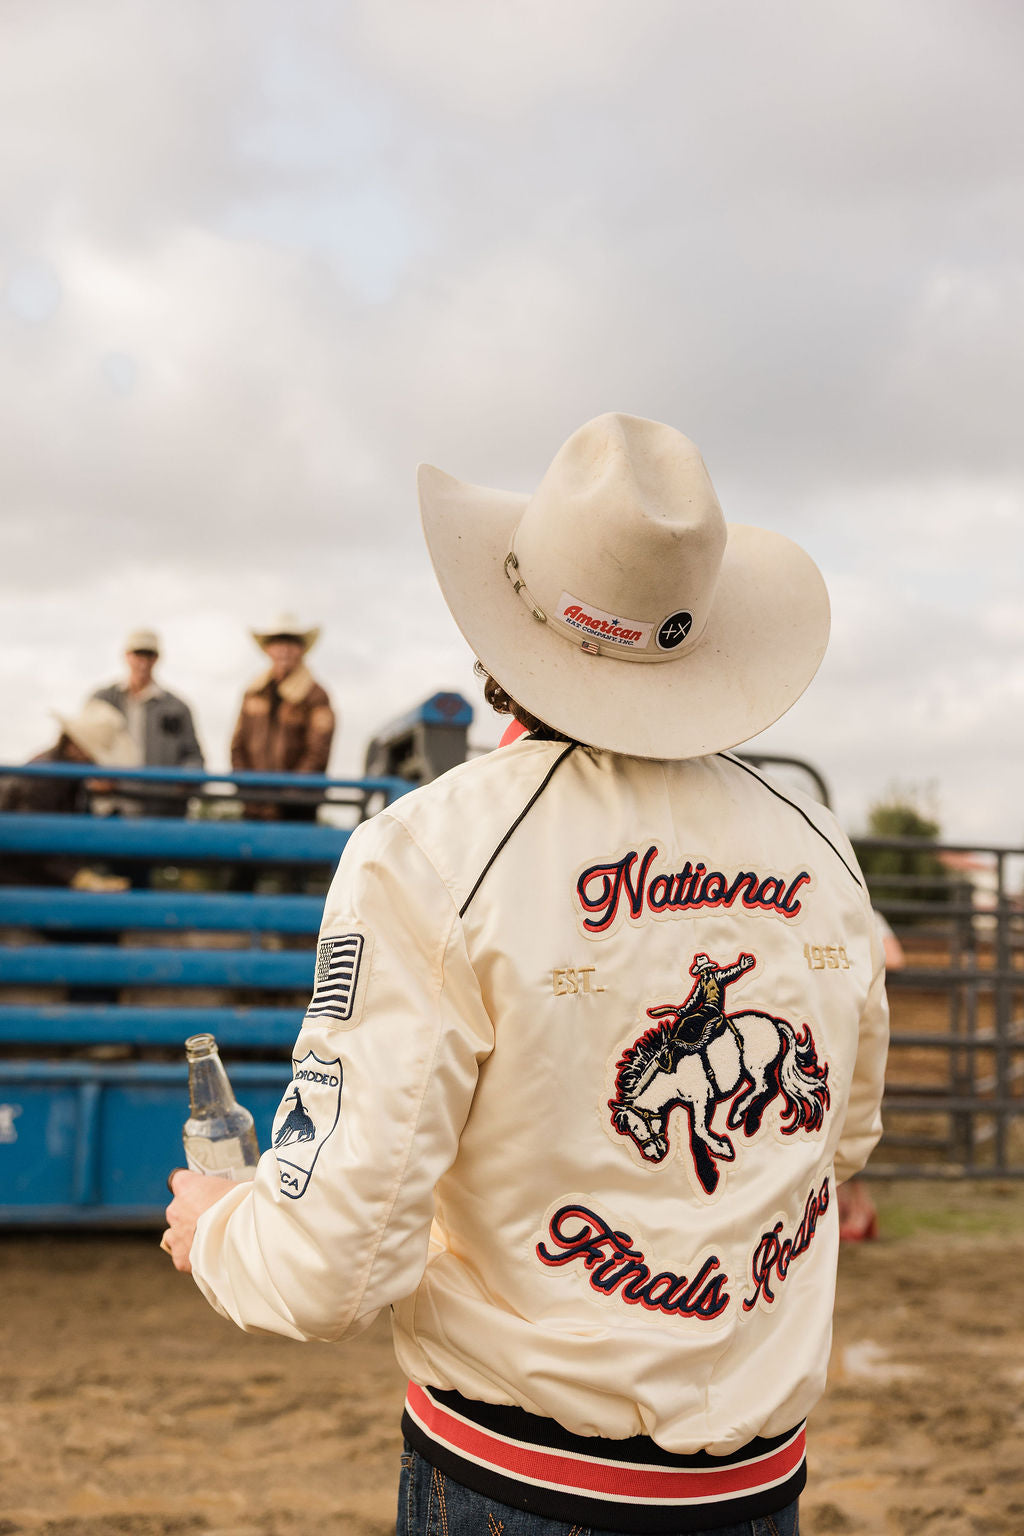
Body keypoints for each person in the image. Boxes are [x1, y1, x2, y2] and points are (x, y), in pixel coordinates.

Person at [164, 414, 889, 1535]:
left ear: (506, 633)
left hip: (522, 1485)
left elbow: (329, 1267)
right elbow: (836, 1143)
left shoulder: (435, 850)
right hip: (755, 1487)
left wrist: (218, 1226)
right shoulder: (817, 846)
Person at [0, 699, 139, 886]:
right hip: (16, 876)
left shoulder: (58, 775)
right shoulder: (47, 779)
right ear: (79, 749)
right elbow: (34, 841)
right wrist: (78, 878)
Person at [229, 613, 335, 821]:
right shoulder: (252, 691)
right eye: (278, 643)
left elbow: (317, 753)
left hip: (298, 808)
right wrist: (247, 789)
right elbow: (237, 746)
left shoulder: (316, 696)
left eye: (291, 643)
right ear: (268, 649)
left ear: (301, 649)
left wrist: (286, 796)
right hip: (253, 805)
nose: (284, 650)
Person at [91, 628, 204, 816]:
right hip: (110, 808)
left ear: (157, 659)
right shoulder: (102, 700)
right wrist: (95, 777)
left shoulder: (177, 708)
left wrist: (187, 778)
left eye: (149, 655)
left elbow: (194, 756)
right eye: (138, 654)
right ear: (127, 656)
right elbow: (82, 749)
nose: (143, 662)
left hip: (161, 809)